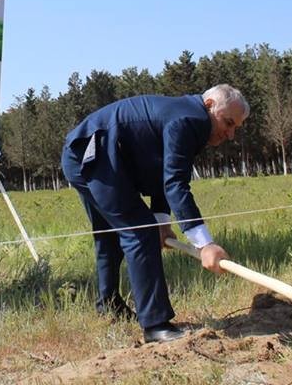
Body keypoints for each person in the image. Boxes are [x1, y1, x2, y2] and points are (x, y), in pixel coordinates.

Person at [60, 84, 249, 342]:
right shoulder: (189, 120)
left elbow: (163, 169)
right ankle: (155, 325)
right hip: (93, 155)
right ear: (209, 106)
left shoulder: (189, 117)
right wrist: (205, 244)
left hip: (92, 154)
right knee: (139, 230)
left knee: (112, 233)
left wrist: (162, 222)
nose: (230, 134)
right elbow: (175, 183)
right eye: (228, 123)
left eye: (236, 127)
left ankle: (108, 303)